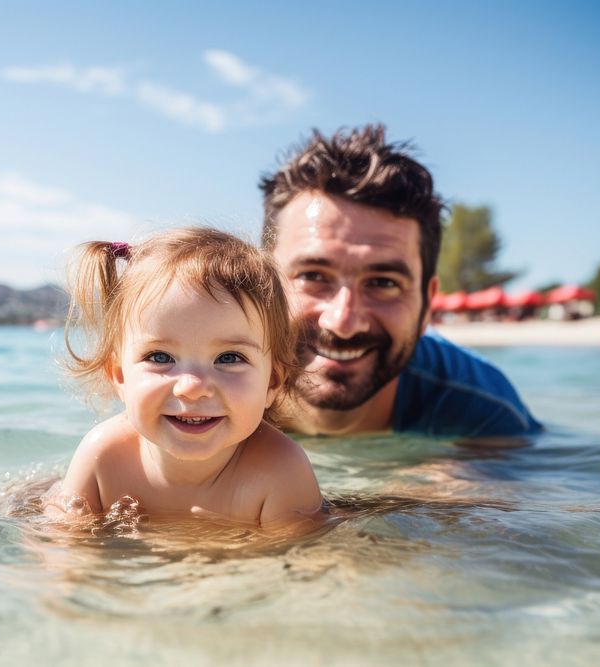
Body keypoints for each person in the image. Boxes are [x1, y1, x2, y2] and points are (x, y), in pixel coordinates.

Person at [260, 124, 542, 441]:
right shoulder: (206, 385)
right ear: (260, 284)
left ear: (427, 304)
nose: (343, 322)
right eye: (312, 276)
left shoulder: (481, 414)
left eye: (383, 282)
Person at [56, 227, 324, 530]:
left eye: (229, 358)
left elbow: (299, 566)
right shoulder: (103, 455)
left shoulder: (280, 470)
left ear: (272, 383)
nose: (192, 388)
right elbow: (65, 556)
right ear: (119, 376)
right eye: (160, 357)